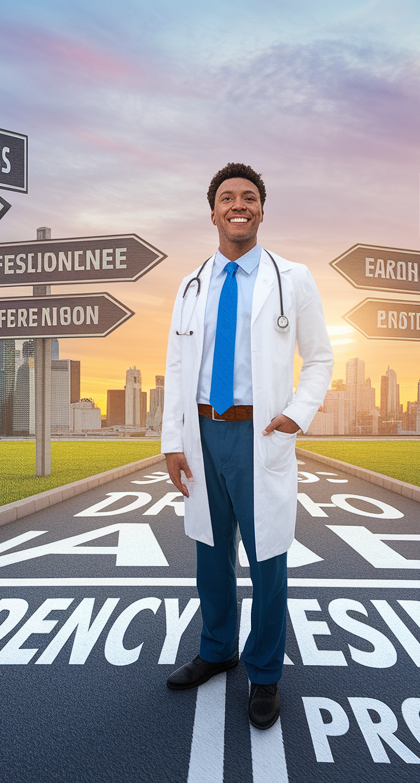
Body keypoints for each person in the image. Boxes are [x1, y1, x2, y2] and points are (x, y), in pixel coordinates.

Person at [160, 163, 333, 729]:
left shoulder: (293, 278)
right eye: (228, 198)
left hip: (262, 434)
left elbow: (321, 357)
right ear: (213, 212)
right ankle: (217, 650)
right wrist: (172, 440)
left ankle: (264, 674)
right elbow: (178, 365)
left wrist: (295, 416)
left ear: (262, 210)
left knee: (268, 561)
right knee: (209, 556)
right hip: (202, 432)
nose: (239, 205)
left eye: (250, 197)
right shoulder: (191, 285)